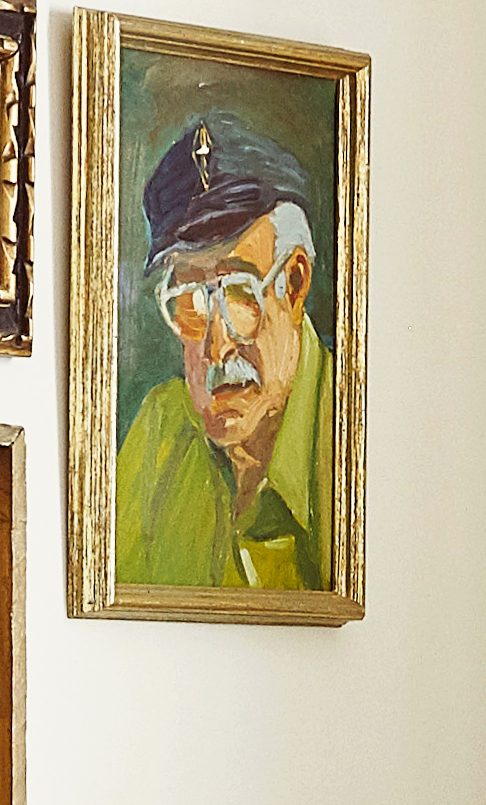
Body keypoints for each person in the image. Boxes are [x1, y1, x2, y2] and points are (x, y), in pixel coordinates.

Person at [111, 112, 336, 598]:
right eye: (190, 302)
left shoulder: (349, 432)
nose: (216, 347)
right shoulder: (161, 430)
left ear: (295, 284)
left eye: (239, 294)